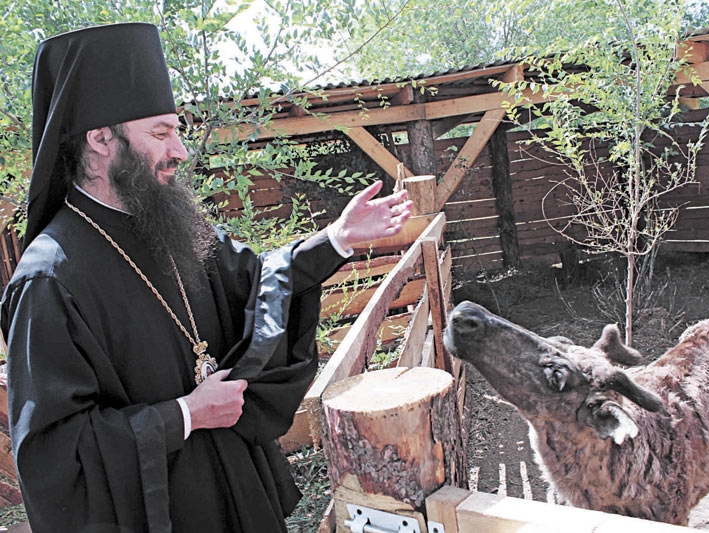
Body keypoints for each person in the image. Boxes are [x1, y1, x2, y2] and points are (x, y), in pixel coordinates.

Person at [0, 22, 413, 533]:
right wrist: (184, 415)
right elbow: (53, 454)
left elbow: (259, 283)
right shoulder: (47, 281)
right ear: (100, 139)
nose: (181, 150)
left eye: (178, 131)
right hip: (165, 513)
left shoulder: (173, 225)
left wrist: (336, 239)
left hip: (239, 488)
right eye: (161, 133)